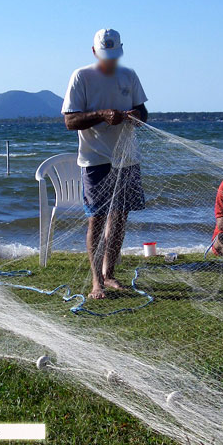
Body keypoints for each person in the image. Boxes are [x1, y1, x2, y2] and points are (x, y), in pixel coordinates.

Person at [62, 29, 149, 299]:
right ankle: (96, 281)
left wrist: (135, 115)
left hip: (127, 158)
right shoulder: (81, 77)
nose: (109, 62)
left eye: (113, 56)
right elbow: (69, 121)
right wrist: (101, 114)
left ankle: (109, 273)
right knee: (97, 220)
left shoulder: (129, 76)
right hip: (95, 159)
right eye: (104, 56)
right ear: (93, 52)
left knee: (120, 217)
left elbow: (144, 112)